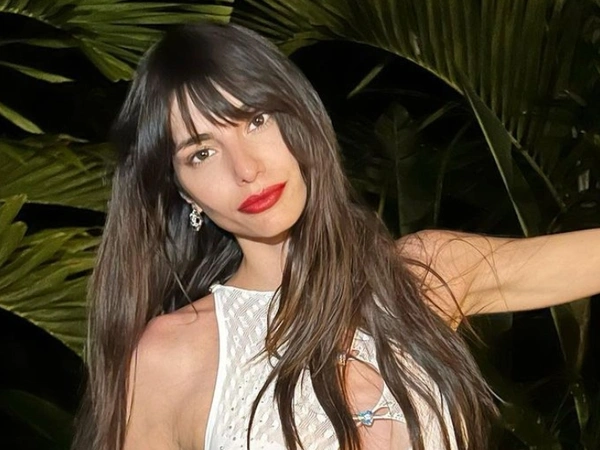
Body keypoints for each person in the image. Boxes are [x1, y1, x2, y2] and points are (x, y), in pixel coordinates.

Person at [71, 22, 600, 450]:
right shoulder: (169, 356)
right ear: (182, 190)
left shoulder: (425, 276)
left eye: (256, 120)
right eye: (202, 153)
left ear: (299, 116)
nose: (246, 169)